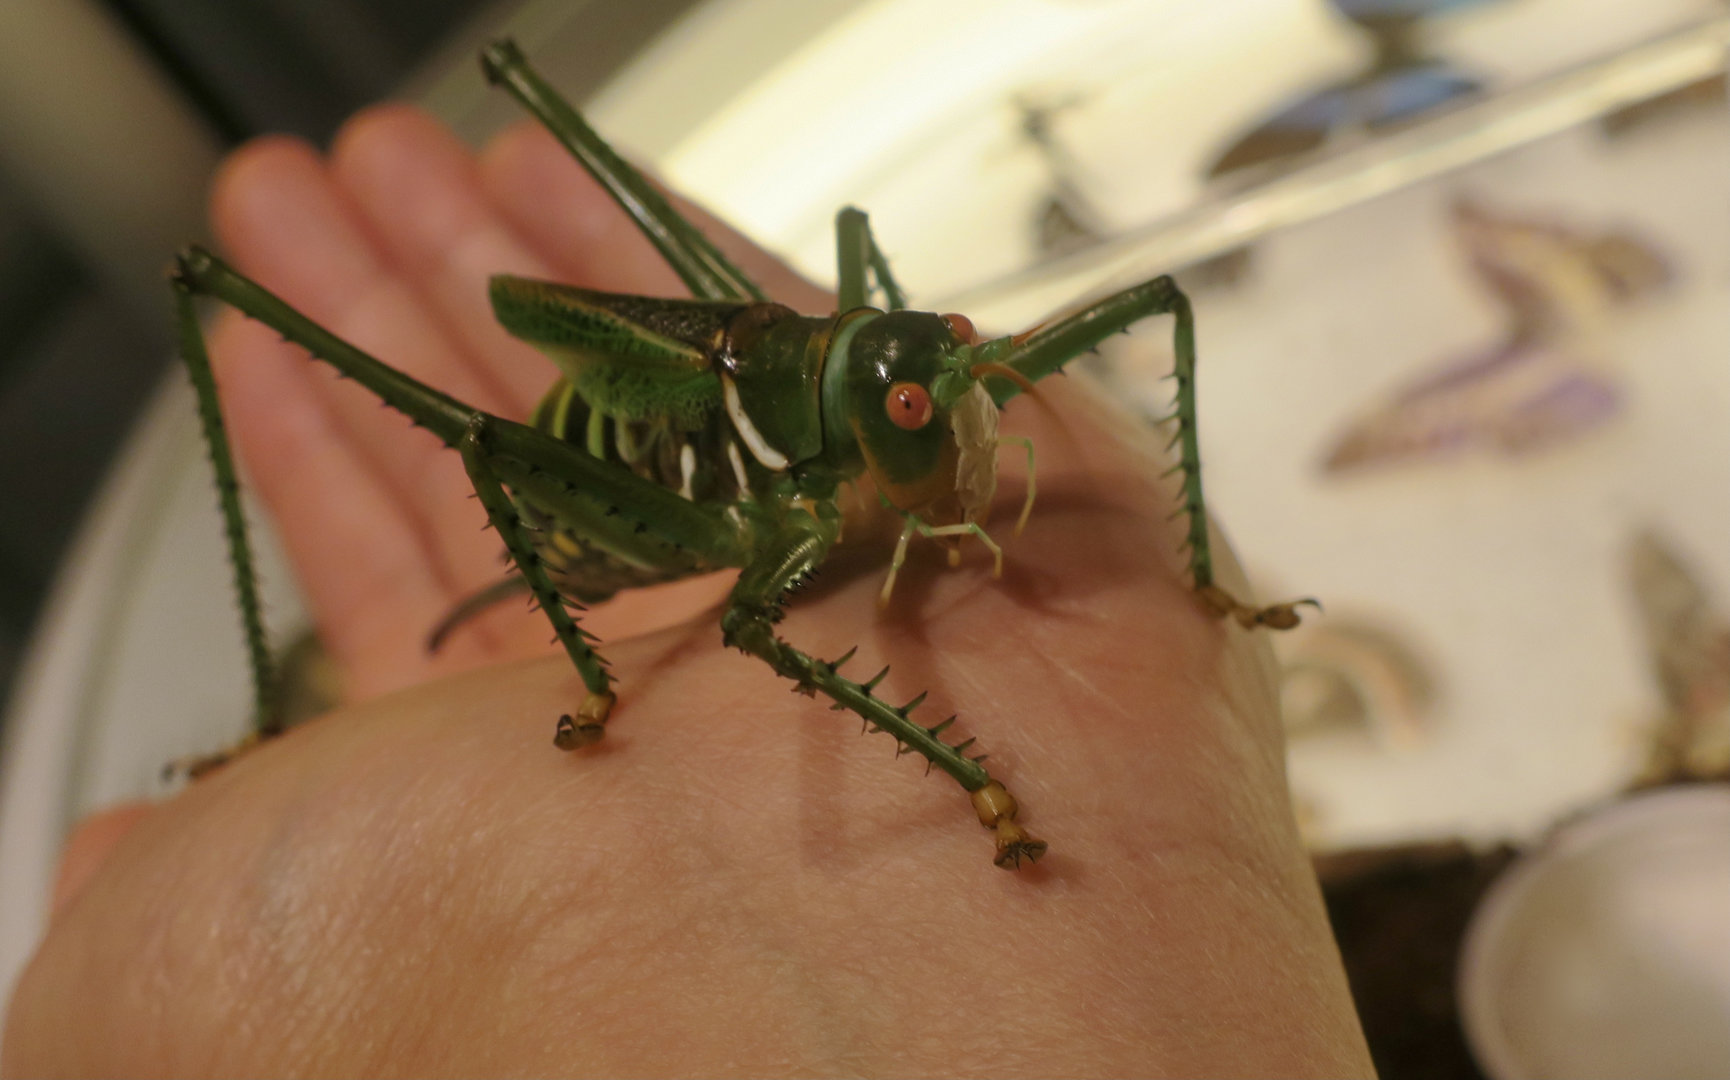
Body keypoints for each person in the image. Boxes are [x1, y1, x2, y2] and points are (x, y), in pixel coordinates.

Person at [2, 103, 1373, 1077]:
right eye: (910, 403)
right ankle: (514, 681)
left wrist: (1192, 581)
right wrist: (975, 783)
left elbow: (1156, 308)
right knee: (467, 426)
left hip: (774, 400)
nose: (941, 420)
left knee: (1096, 296)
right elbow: (745, 617)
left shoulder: (888, 379)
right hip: (631, 500)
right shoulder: (771, 504)